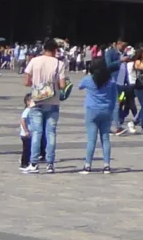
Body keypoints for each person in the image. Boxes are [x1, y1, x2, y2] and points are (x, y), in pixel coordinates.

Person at [21, 42, 65, 173]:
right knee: (51, 133)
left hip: (37, 101)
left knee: (37, 133)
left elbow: (27, 82)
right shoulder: (59, 64)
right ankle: (50, 164)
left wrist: (37, 84)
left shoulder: (34, 61)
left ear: (44, 49)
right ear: (55, 50)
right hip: (53, 101)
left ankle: (34, 163)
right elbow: (62, 85)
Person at [75, 58, 114, 174]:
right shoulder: (110, 81)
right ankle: (106, 165)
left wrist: (88, 73)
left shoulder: (88, 79)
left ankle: (88, 165)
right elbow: (114, 97)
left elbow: (79, 86)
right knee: (105, 138)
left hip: (92, 110)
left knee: (91, 139)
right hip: (106, 110)